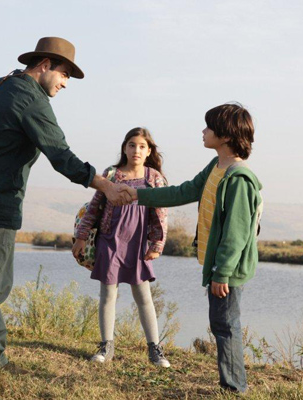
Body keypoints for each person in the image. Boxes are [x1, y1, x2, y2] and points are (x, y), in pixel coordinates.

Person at [0, 37, 130, 372]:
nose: (65, 83)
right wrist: (104, 183)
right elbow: (60, 154)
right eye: (64, 74)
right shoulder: (31, 99)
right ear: (44, 65)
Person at [120, 103, 263, 392]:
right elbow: (184, 191)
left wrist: (222, 272)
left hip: (227, 269)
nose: (203, 131)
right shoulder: (217, 167)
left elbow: (236, 233)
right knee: (221, 323)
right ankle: (232, 385)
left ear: (224, 135)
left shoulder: (238, 178)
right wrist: (137, 194)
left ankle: (235, 388)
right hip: (218, 266)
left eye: (208, 127)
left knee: (225, 325)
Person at [72, 127, 171, 368]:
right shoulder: (112, 174)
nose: (136, 150)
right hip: (110, 241)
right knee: (108, 296)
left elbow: (161, 213)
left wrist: (157, 243)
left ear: (149, 151)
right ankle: (106, 346)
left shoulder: (154, 177)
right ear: (124, 148)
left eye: (141, 146)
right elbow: (95, 206)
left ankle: (155, 349)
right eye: (131, 145)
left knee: (144, 297)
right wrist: (81, 236)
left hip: (138, 245)